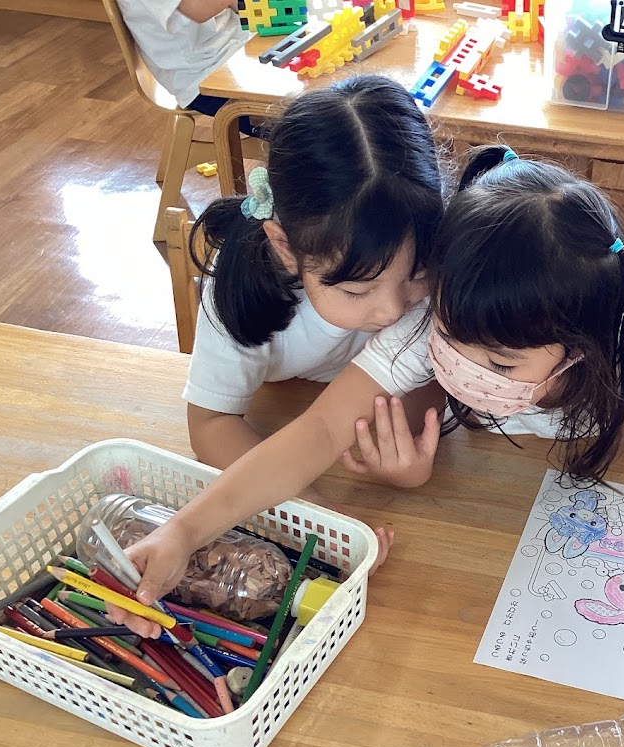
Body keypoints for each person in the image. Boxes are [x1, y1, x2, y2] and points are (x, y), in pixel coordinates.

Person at [111, 147, 624, 637]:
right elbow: (318, 431)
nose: (460, 364)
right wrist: (183, 532)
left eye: (499, 362)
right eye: (450, 335)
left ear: (579, 350)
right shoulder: (424, 324)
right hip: (479, 522)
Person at [181, 74, 445, 502]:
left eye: (417, 274)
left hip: (337, 416)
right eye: (357, 291)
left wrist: (408, 451)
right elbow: (210, 425)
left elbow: (429, 379)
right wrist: (313, 510)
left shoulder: (439, 251)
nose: (393, 311)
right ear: (285, 248)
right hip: (286, 410)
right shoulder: (236, 286)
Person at [116, 0, 258, 132]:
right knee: (270, 109)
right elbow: (199, 9)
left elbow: (236, 5)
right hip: (202, 76)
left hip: (235, 48)